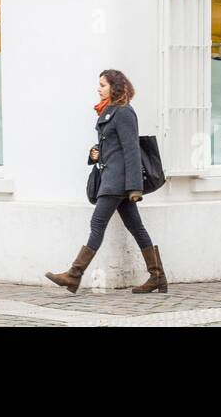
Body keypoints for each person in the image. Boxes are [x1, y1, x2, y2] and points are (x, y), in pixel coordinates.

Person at [45, 69, 167, 294]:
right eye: (99, 85)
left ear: (115, 86)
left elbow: (131, 150)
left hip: (117, 181)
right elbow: (111, 146)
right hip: (113, 178)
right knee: (136, 226)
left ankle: (74, 275)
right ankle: (157, 276)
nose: (98, 88)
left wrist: (134, 188)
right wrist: (95, 152)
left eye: (102, 84)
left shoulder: (124, 112)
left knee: (97, 224)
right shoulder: (109, 112)